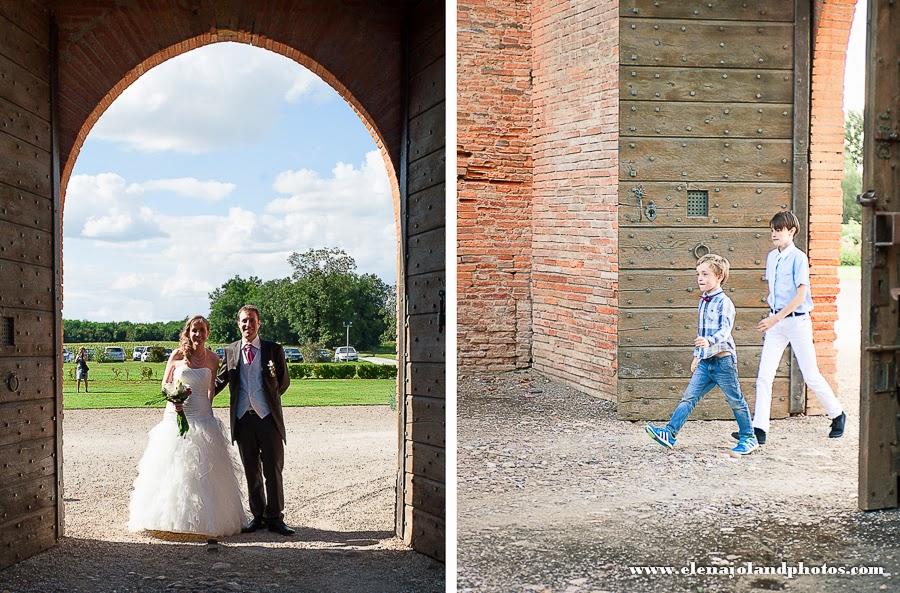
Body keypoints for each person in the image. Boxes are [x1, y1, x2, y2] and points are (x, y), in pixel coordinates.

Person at [734, 211, 847, 445]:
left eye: (779, 229)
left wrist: (774, 319)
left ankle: (837, 414)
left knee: (810, 374)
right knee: (764, 376)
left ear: (791, 231)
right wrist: (773, 318)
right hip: (776, 323)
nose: (774, 233)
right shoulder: (771, 257)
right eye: (772, 229)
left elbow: (800, 296)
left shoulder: (799, 258)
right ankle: (759, 429)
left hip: (797, 322)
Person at [128, 315, 245, 537]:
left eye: (202, 330)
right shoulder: (177, 355)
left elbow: (211, 387)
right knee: (174, 465)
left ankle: (205, 521)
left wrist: (208, 412)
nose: (198, 335)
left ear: (207, 332)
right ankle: (168, 518)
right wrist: (174, 399)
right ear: (188, 332)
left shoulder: (213, 358)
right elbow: (165, 384)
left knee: (204, 469)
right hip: (177, 414)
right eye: (194, 330)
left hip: (202, 416)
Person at [645, 254, 759, 456]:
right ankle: (669, 434)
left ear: (719, 276)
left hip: (724, 361)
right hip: (706, 362)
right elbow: (701, 333)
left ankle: (748, 438)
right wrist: (698, 355)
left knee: (735, 400)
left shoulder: (725, 303)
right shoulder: (703, 302)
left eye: (705, 274)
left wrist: (709, 342)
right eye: (698, 274)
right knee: (689, 398)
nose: (700, 278)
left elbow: (725, 331)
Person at [215, 305, 293, 535]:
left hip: (268, 419)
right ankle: (258, 516)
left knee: (273, 469)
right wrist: (193, 394)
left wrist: (267, 398)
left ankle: (275, 517)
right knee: (251, 470)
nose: (247, 325)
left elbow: (283, 382)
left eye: (251, 321)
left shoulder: (273, 350)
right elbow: (219, 381)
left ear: (259, 323)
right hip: (243, 420)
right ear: (238, 324)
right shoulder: (230, 351)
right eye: (243, 321)